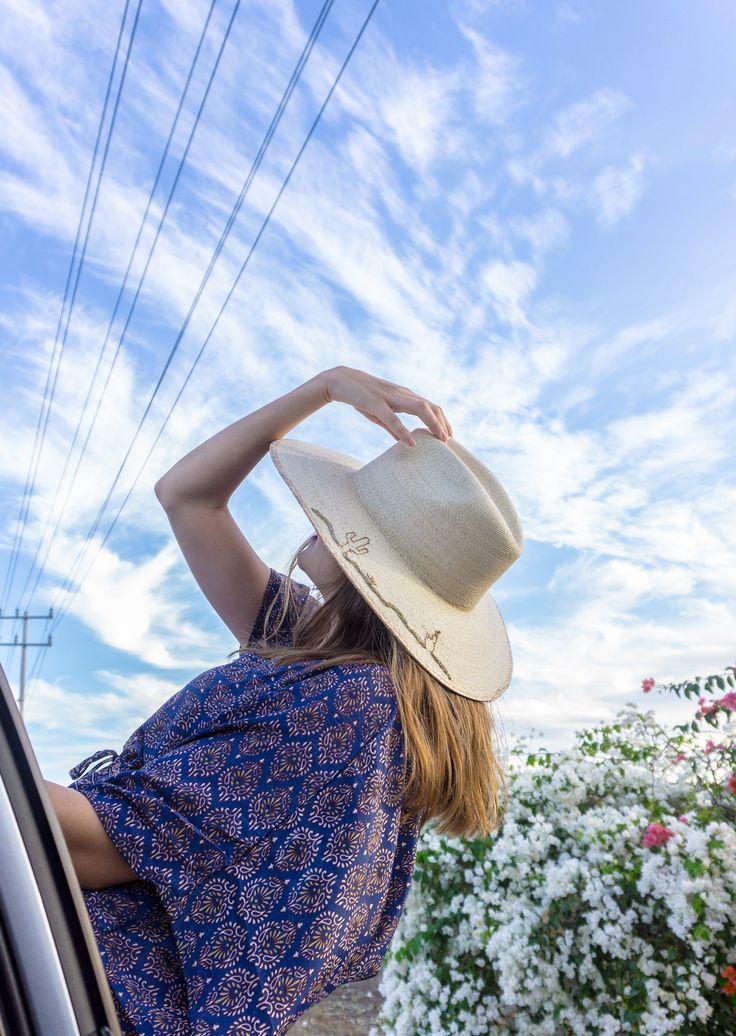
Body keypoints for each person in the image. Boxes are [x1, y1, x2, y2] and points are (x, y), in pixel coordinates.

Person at [45, 365, 524, 1035]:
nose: (318, 509)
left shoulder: (346, 705)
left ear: (369, 564)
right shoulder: (317, 647)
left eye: (350, 512)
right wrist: (325, 387)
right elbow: (186, 497)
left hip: (76, 988)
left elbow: (91, 844)